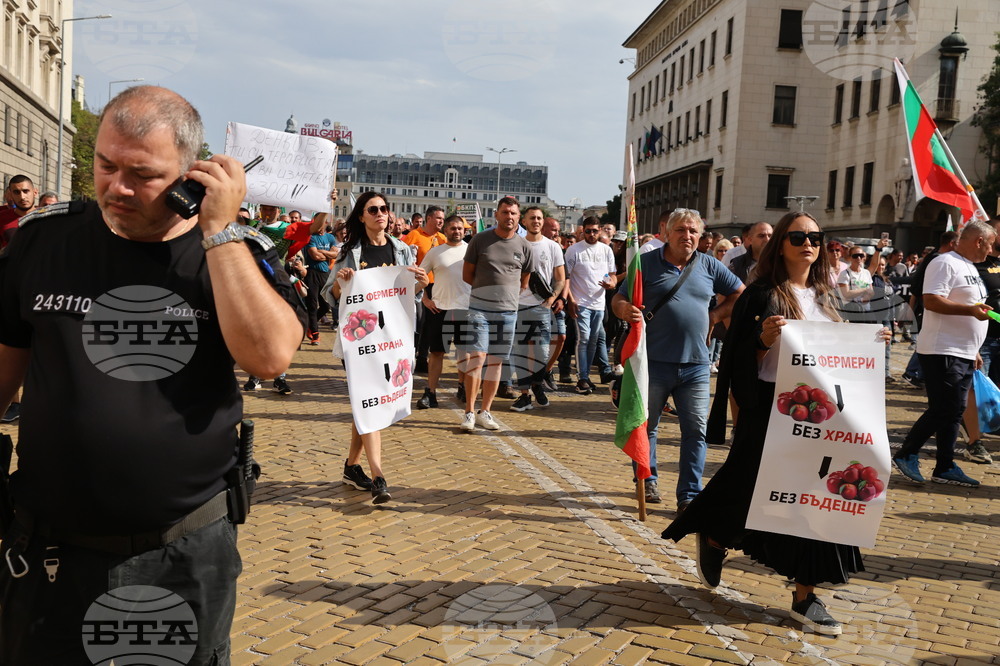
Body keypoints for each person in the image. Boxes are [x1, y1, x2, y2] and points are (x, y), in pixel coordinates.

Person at [0, 86, 305, 663]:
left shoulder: (233, 253)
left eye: (141, 174)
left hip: (184, 552)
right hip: (47, 551)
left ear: (193, 175)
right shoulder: (41, 241)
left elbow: (269, 358)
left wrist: (220, 232)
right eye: (105, 165)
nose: (117, 187)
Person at [662, 211, 889, 636]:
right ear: (781, 243)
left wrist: (873, 343)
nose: (808, 243)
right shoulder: (762, 294)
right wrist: (764, 339)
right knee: (749, 488)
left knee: (819, 496)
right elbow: (738, 360)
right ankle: (714, 534)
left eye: (816, 237)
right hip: (772, 410)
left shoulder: (825, 295)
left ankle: (806, 594)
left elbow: (838, 354)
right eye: (798, 236)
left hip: (823, 419)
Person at [611, 209, 743, 507]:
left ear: (701, 236)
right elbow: (619, 297)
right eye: (681, 230)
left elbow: (740, 294)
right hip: (653, 363)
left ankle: (689, 495)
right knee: (647, 425)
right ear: (667, 233)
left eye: (693, 231)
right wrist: (622, 309)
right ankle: (647, 480)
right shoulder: (644, 263)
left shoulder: (710, 265)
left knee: (696, 432)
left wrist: (715, 315)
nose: (687, 236)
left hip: (696, 366)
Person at [328, 191, 428, 503]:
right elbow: (331, 293)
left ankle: (351, 466)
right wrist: (341, 282)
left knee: (365, 403)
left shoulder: (403, 250)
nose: (380, 214)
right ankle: (378, 475)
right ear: (362, 216)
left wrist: (422, 285)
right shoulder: (350, 253)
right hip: (360, 342)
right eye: (373, 209)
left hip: (392, 340)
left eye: (384, 209)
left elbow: (410, 297)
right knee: (368, 400)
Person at [892, 220, 996, 488]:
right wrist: (970, 311)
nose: (991, 251)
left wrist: (973, 348)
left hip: (962, 352)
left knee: (955, 409)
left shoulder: (969, 266)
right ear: (978, 241)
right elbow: (932, 300)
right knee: (944, 408)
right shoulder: (944, 262)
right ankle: (906, 453)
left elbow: (971, 305)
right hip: (942, 350)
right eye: (990, 244)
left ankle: (945, 466)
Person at [460, 196, 533, 431]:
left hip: (508, 313)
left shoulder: (524, 246)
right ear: (497, 215)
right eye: (505, 212)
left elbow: (524, 280)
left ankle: (486, 411)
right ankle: (469, 412)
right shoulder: (480, 240)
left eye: (513, 213)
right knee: (477, 358)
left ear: (518, 217)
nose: (509, 217)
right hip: (479, 310)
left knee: (496, 362)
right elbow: (467, 275)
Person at [510, 206, 565, 411]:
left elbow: (560, 278)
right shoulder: (515, 245)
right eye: (532, 218)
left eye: (540, 218)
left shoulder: (552, 247)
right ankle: (525, 395)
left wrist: (551, 299)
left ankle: (537, 383)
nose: (536, 221)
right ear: (524, 221)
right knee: (522, 352)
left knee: (542, 352)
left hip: (542, 307)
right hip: (518, 306)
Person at [417, 215, 471, 408]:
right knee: (436, 352)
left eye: (459, 228)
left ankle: (463, 386)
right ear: (445, 230)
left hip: (465, 309)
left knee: (464, 353)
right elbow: (420, 276)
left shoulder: (472, 251)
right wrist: (425, 298)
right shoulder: (435, 252)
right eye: (452, 228)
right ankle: (431, 393)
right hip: (439, 309)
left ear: (464, 231)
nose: (456, 231)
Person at [565, 217, 617, 394]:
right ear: (583, 232)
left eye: (595, 231)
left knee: (593, 340)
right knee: (584, 338)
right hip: (581, 302)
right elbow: (566, 278)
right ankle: (582, 378)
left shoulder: (606, 250)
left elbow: (612, 274)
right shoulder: (573, 250)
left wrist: (612, 284)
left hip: (599, 303)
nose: (592, 234)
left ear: (600, 230)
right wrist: (570, 300)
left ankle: (586, 376)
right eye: (588, 231)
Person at [303, 214, 338, 345]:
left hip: (325, 273)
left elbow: (336, 254)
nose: (318, 224)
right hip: (311, 273)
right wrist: (328, 254)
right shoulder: (311, 237)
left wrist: (322, 252)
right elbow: (314, 255)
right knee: (312, 305)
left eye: (320, 222)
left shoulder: (330, 237)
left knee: (326, 305)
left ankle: (309, 325)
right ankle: (315, 335)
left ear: (325, 223)